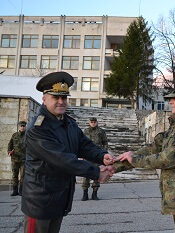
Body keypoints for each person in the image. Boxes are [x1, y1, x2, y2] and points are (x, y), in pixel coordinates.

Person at [21, 71, 116, 233]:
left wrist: (101, 156)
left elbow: (84, 145)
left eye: (64, 98)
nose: (61, 102)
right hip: (39, 203)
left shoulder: (68, 123)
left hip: (58, 200)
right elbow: (62, 159)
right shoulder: (37, 129)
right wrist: (95, 172)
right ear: (44, 100)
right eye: (55, 97)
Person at [117, 83, 175, 233]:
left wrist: (134, 160)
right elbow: (152, 148)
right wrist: (115, 165)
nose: (171, 102)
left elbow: (169, 157)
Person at [81, 117, 109, 201]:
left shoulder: (101, 131)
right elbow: (81, 143)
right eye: (91, 122)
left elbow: (105, 143)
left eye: (94, 122)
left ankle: (94, 193)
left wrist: (104, 154)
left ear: (97, 122)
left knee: (97, 174)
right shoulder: (85, 131)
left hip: (98, 156)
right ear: (89, 122)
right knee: (86, 175)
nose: (93, 123)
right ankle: (85, 194)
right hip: (87, 155)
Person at [7, 120, 27, 196]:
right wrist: (9, 151)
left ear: (25, 127)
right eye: (21, 126)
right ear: (19, 127)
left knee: (23, 175)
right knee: (14, 175)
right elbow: (10, 145)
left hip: (24, 159)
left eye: (24, 126)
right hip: (15, 159)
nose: (22, 127)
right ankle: (15, 191)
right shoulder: (14, 135)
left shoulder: (27, 136)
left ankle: (21, 190)